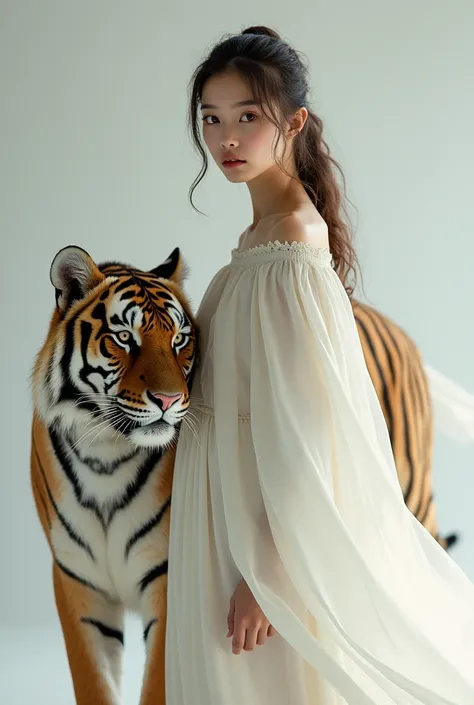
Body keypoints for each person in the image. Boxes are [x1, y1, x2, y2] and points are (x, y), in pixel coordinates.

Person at [165, 26, 474, 705]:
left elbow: (309, 428)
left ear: (293, 122)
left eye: (248, 116)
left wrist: (269, 573)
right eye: (211, 119)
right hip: (223, 516)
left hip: (256, 537)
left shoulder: (289, 250)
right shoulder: (258, 240)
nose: (227, 139)